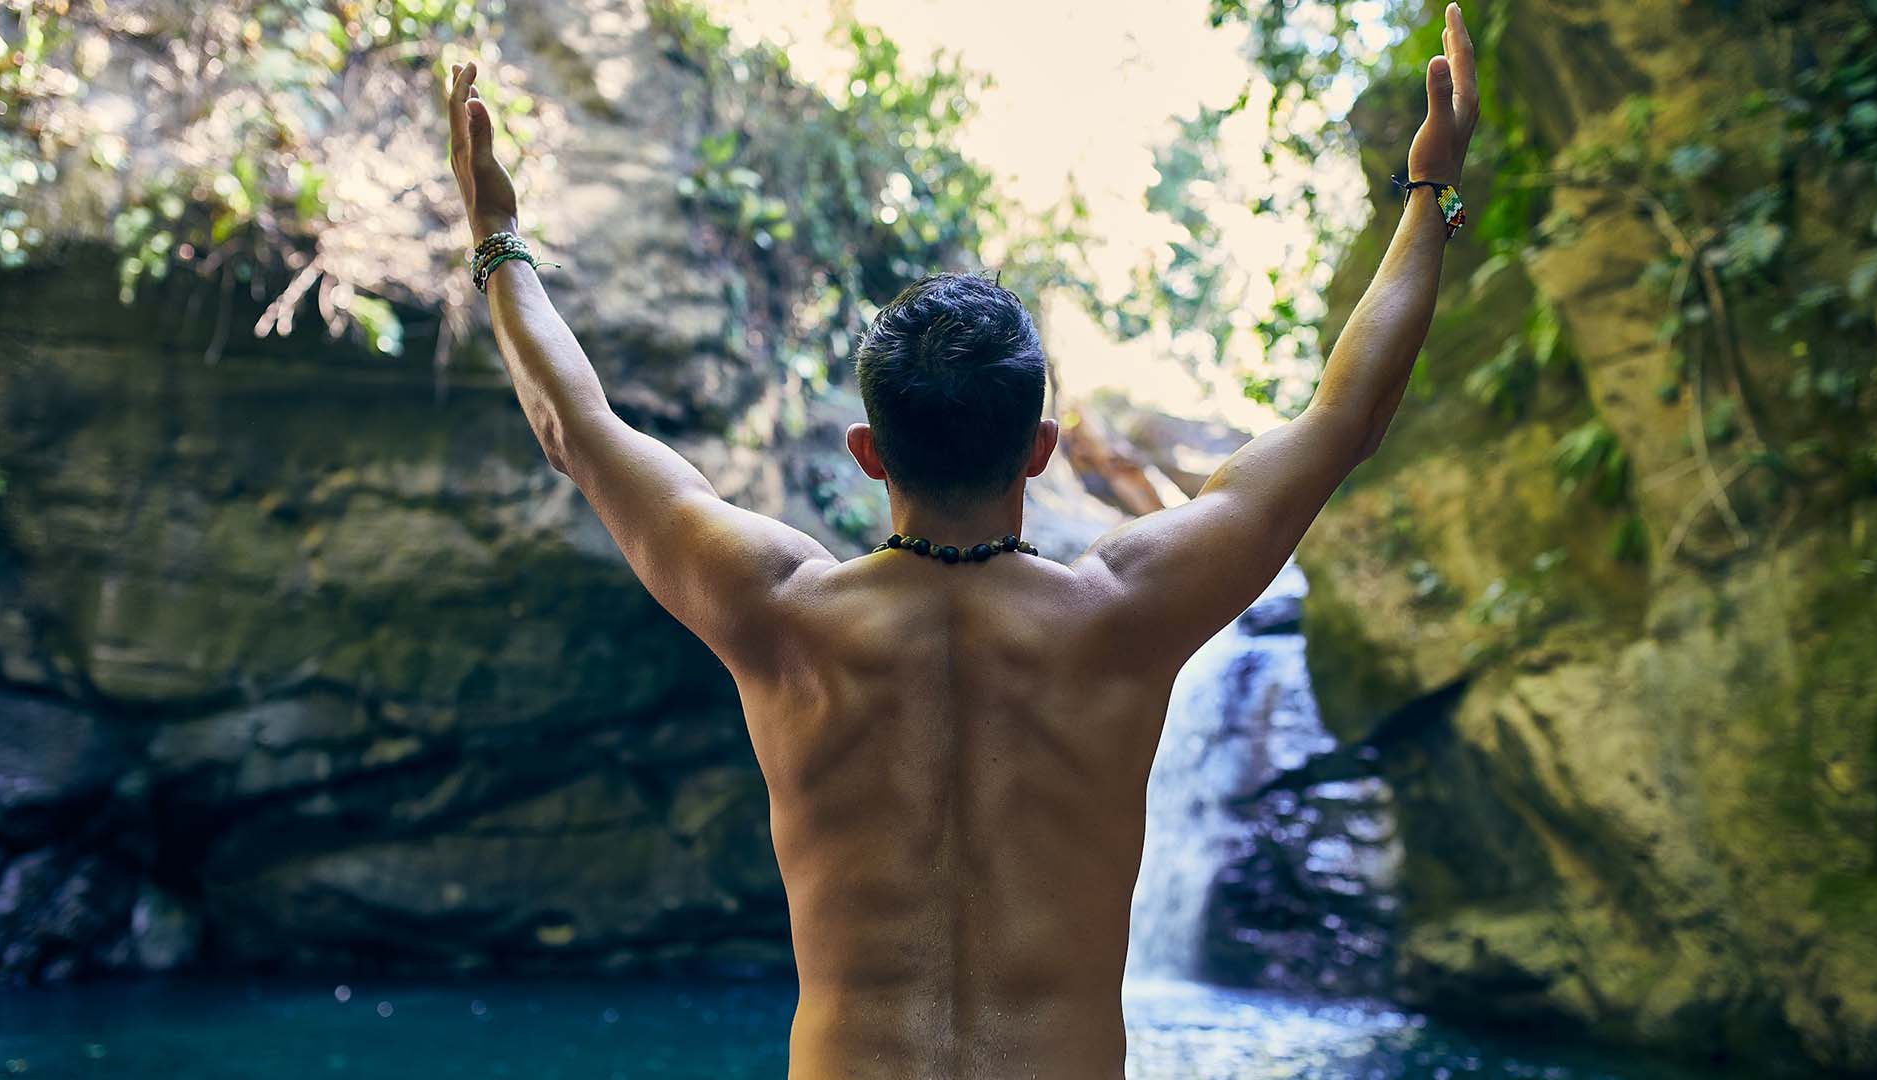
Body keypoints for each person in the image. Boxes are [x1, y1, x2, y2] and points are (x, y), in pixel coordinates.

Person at [443, 4, 1477, 1076]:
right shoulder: (1125, 613)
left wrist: (496, 240)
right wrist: (1429, 197)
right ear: (1040, 450)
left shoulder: (781, 615)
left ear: (866, 450)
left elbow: (580, 430)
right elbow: (1344, 420)